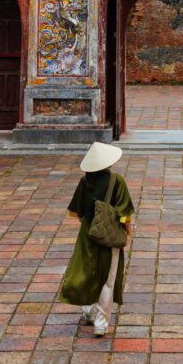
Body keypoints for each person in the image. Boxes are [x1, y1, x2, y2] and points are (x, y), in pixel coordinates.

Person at [59, 141, 134, 336]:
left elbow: (77, 212)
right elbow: (124, 214)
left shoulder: (85, 182)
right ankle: (101, 322)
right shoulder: (117, 181)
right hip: (109, 238)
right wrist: (128, 232)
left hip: (87, 234)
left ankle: (88, 312)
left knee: (87, 271)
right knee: (108, 278)